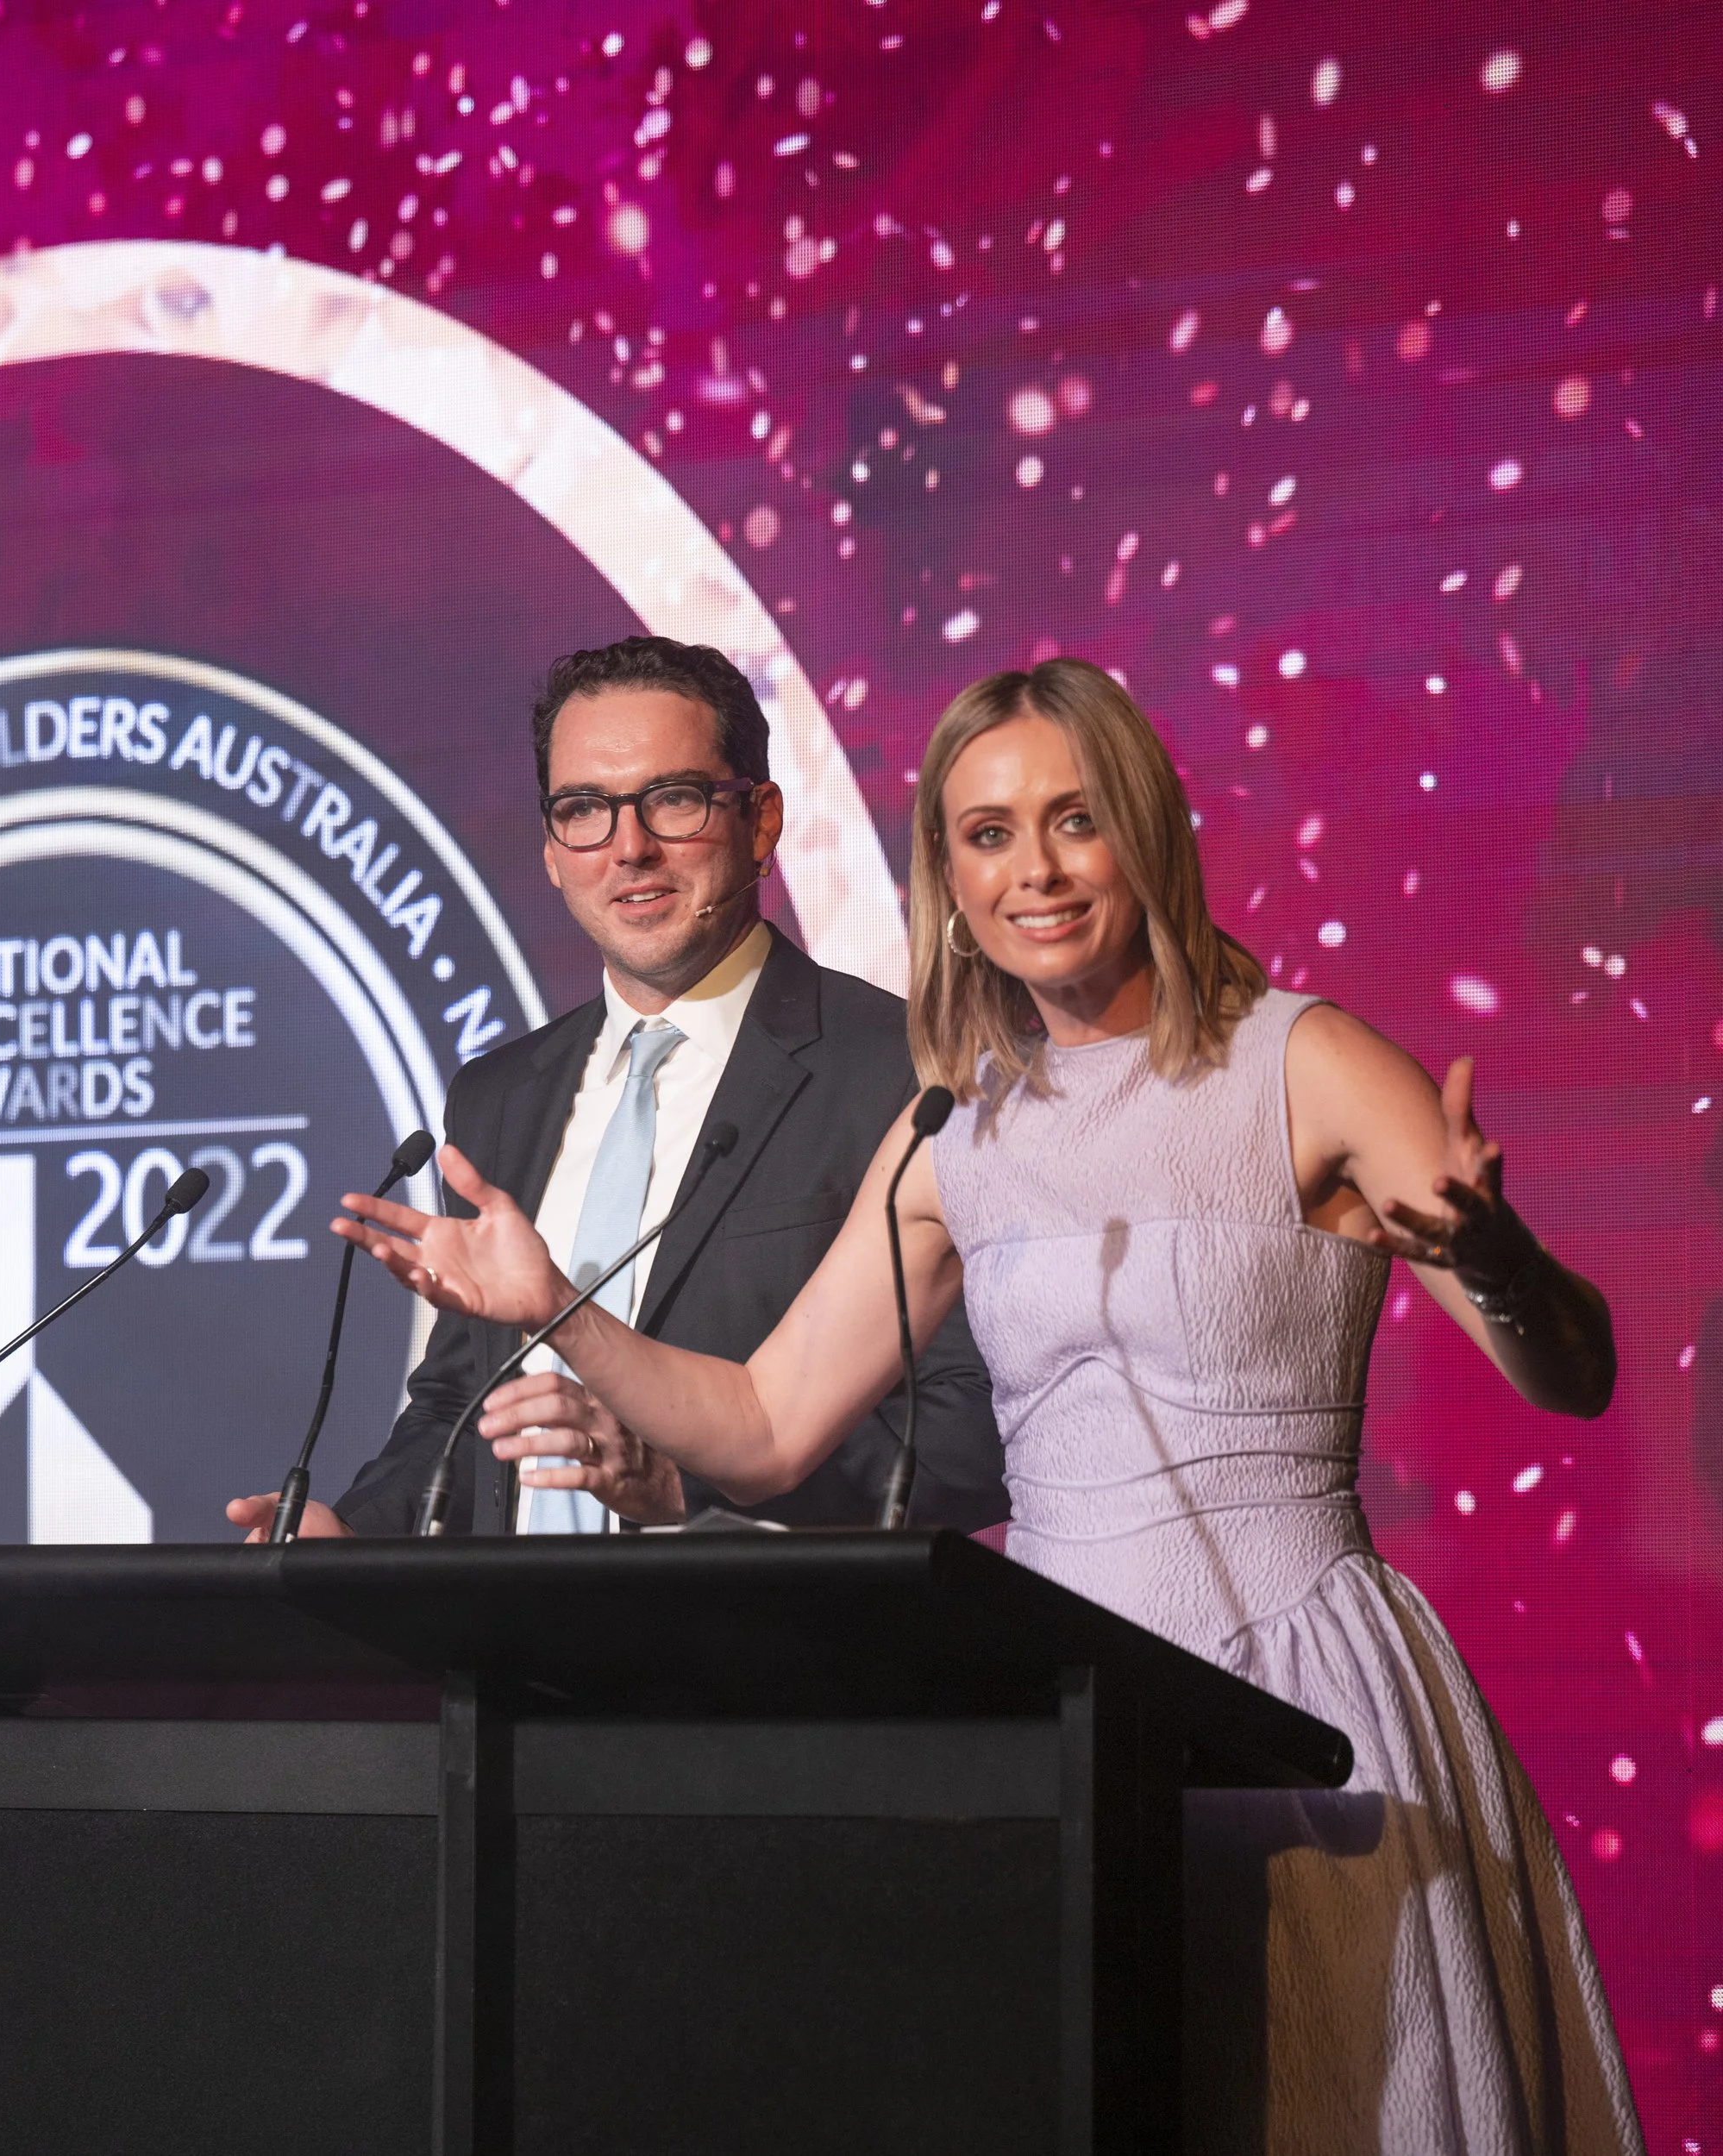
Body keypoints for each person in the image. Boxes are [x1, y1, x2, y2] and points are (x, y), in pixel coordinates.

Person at [332, 657, 1644, 2150]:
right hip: (1061, 1716)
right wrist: (553, 1302)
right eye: (988, 833)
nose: (1037, 870)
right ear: (946, 879)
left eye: (1074, 821)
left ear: (1146, 833)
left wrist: (1501, 1258)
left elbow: (1577, 1377)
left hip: (1305, 1705)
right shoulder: (960, 1123)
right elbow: (762, 1423)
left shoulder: (1312, 1062)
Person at [228, 635, 1001, 1539]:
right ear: (553, 851)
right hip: (515, 1662)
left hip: (777, 1656)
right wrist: (356, 1535)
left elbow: (972, 1427)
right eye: (584, 809)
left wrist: (691, 1486)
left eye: (672, 801)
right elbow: (458, 1408)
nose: (628, 848)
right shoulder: (499, 1097)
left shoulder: (910, 1070)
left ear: (760, 822)